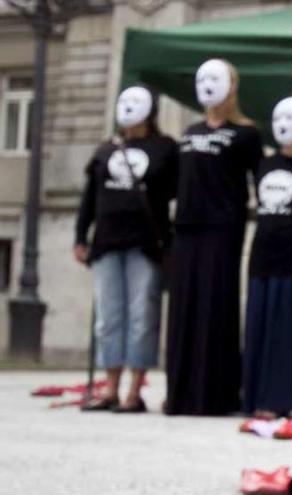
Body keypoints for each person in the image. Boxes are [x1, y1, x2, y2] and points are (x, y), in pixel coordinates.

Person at [165, 59, 264, 416]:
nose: (207, 85)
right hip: (186, 228)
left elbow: (261, 180)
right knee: (183, 308)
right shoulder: (189, 133)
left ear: (232, 86)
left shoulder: (246, 134)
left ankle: (216, 393)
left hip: (222, 228)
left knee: (215, 305)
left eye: (215, 78)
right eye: (201, 77)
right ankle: (180, 392)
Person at [75, 85, 178, 413]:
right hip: (106, 243)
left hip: (144, 244)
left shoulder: (164, 148)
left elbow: (177, 192)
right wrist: (81, 236)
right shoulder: (106, 149)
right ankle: (111, 388)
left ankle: (135, 390)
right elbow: (90, 197)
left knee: (141, 315)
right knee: (108, 317)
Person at [242, 95, 292, 418]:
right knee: (261, 328)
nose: (283, 126)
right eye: (278, 118)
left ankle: (289, 398)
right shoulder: (264, 163)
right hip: (263, 255)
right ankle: (258, 396)